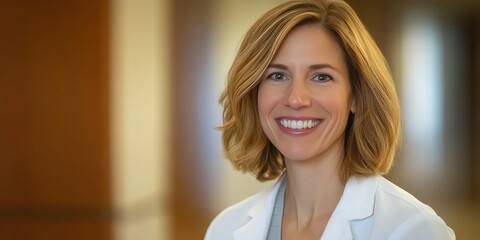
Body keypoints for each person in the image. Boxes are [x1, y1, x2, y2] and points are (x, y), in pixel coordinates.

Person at [205, 0, 456, 239]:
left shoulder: (412, 229)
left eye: (321, 77)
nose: (296, 99)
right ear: (254, 92)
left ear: (356, 95)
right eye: (278, 76)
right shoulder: (225, 229)